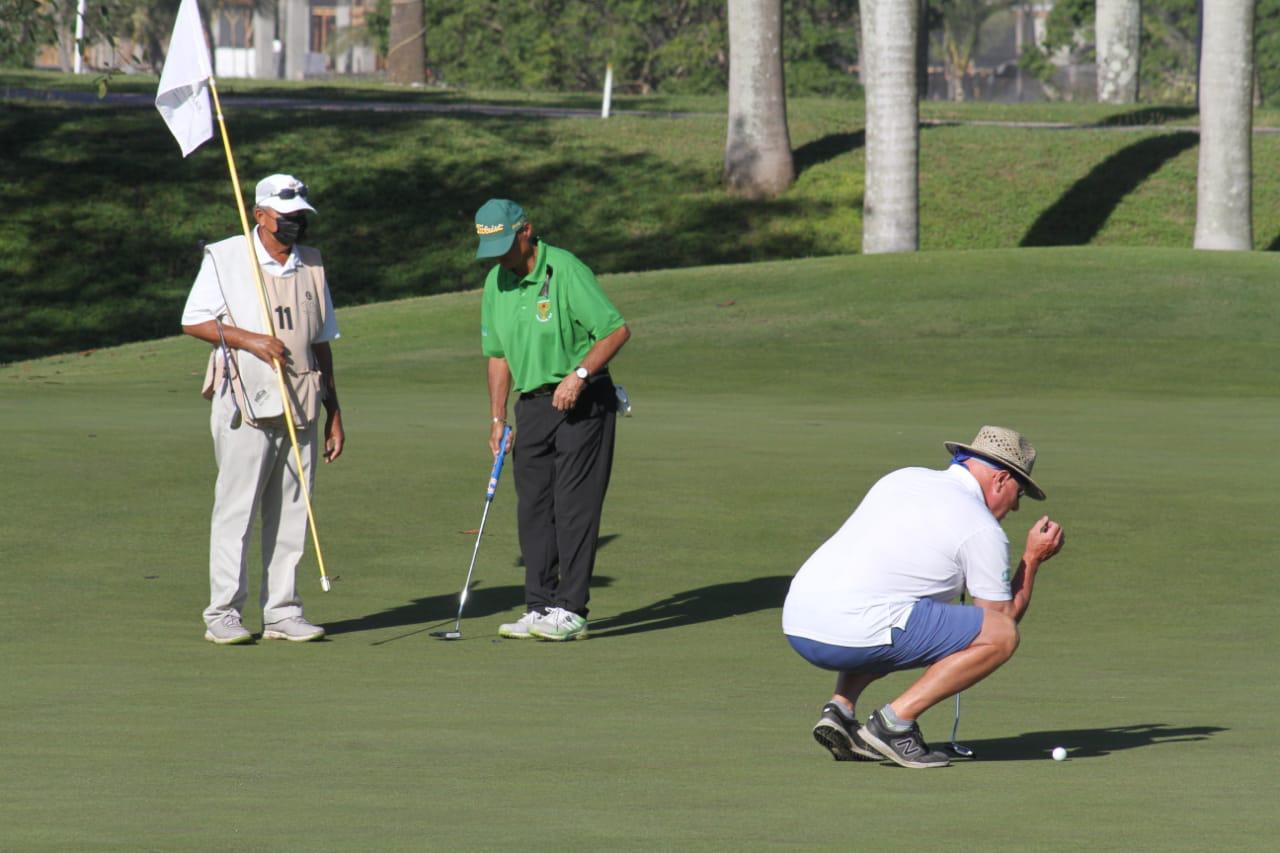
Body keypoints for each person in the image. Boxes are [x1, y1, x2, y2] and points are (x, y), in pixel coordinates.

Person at [781, 425, 1065, 768]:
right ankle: (893, 725)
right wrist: (1032, 559)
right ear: (1002, 480)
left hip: (798, 621)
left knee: (906, 609)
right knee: (1001, 637)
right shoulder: (981, 528)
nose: (1016, 508)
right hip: (850, 633)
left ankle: (840, 709)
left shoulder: (903, 478)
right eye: (1018, 494)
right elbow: (1000, 622)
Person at [181, 173, 344, 645]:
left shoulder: (311, 263)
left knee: (294, 511)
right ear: (260, 215)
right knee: (237, 510)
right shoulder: (227, 257)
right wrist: (250, 340)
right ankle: (224, 614)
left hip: (303, 402)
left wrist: (335, 412)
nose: (294, 225)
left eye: (299, 217)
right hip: (245, 401)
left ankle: (282, 611)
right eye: (285, 217)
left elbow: (322, 342)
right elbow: (194, 321)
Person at [475, 199, 631, 641]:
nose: (500, 258)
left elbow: (616, 330)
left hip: (583, 400)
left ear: (525, 231)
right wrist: (496, 417)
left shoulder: (564, 269)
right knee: (534, 508)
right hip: (533, 406)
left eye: (505, 246)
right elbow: (498, 355)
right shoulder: (496, 282)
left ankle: (571, 608)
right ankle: (539, 605)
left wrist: (579, 375)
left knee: (573, 507)